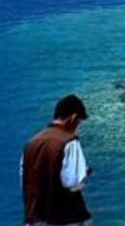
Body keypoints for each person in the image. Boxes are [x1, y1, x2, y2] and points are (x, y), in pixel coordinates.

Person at [21, 95, 93, 226]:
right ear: (73, 118)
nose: (77, 126)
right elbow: (72, 183)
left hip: (35, 219)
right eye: (79, 122)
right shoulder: (69, 141)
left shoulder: (30, 144)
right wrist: (85, 173)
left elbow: (24, 180)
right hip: (66, 218)